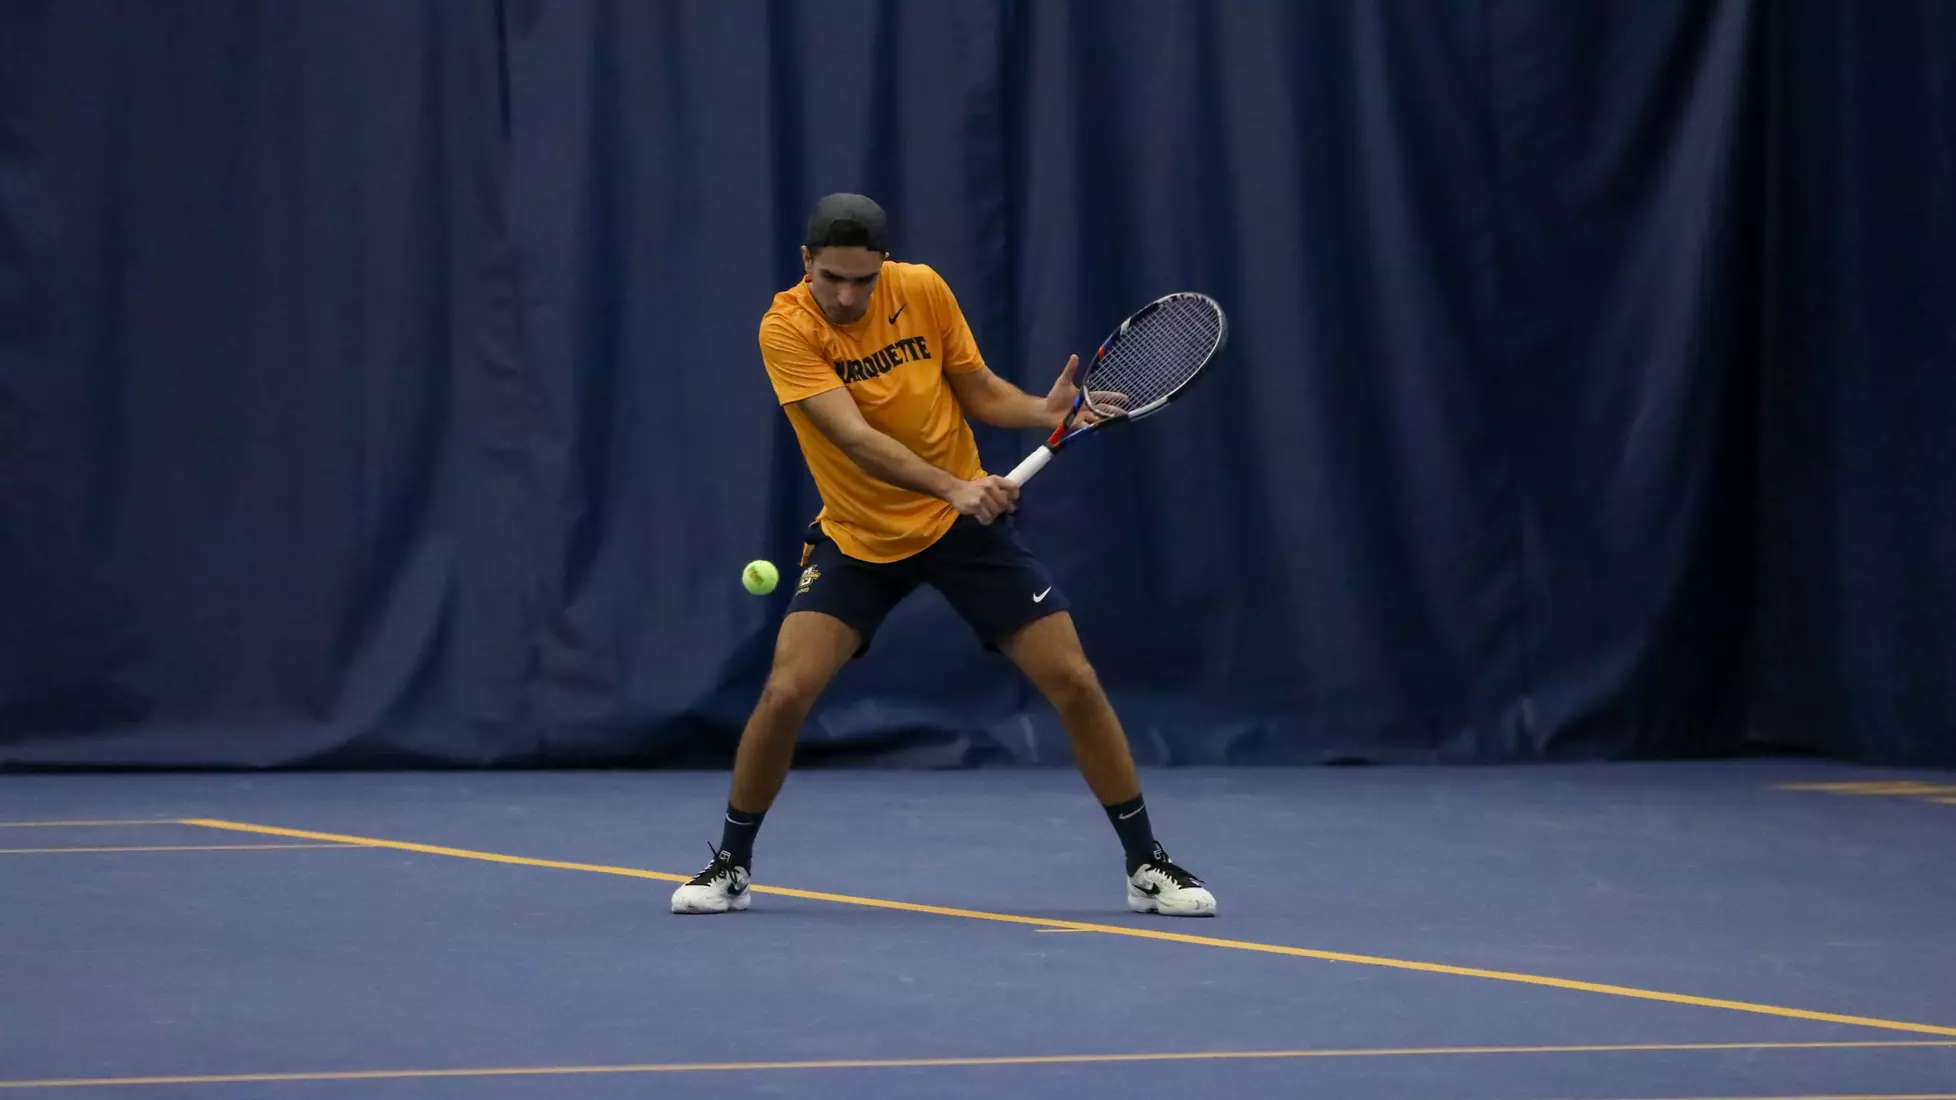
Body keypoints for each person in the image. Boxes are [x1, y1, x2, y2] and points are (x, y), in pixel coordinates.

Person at [670, 193, 1215, 918]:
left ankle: (1146, 864)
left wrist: (1047, 412)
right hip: (859, 537)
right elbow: (855, 439)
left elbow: (980, 391)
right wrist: (953, 485)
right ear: (807, 264)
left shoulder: (921, 290)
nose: (847, 294)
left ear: (883, 267)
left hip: (962, 529)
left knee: (1075, 681)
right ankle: (731, 865)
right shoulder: (786, 329)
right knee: (786, 691)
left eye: (863, 280)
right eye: (832, 277)